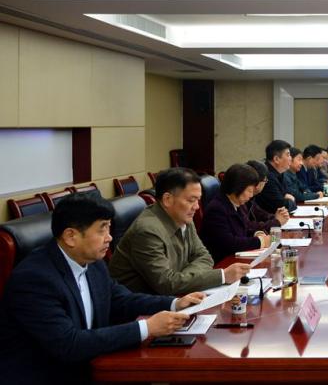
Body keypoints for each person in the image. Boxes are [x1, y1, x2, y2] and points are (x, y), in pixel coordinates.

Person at [0, 193, 204, 385]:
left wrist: (175, 303)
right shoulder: (34, 279)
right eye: (102, 229)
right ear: (71, 236)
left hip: (91, 366)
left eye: (109, 228)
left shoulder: (92, 262)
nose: (109, 238)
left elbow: (120, 299)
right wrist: (146, 328)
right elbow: (69, 344)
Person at [109, 167, 251, 295]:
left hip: (176, 296)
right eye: (191, 200)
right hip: (145, 308)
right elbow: (167, 284)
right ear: (167, 199)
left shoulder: (183, 217)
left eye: (198, 200)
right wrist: (222, 276)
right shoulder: (147, 231)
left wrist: (183, 279)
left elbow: (204, 256)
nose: (196, 207)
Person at [200, 163, 272, 263]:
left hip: (235, 260)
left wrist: (256, 233)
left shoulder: (236, 203)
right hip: (222, 263)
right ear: (237, 187)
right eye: (249, 191)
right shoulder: (217, 209)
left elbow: (242, 229)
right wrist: (260, 241)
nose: (251, 195)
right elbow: (229, 243)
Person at [241, 160, 290, 231]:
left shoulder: (251, 198)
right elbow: (248, 226)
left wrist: (276, 217)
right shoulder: (242, 198)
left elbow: (259, 213)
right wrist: (276, 222)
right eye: (265, 180)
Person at [254, 139, 297, 213]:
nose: (291, 158)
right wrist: (291, 200)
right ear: (276, 159)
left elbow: (291, 193)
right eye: (288, 155)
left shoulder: (281, 173)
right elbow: (281, 206)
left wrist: (287, 198)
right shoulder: (267, 176)